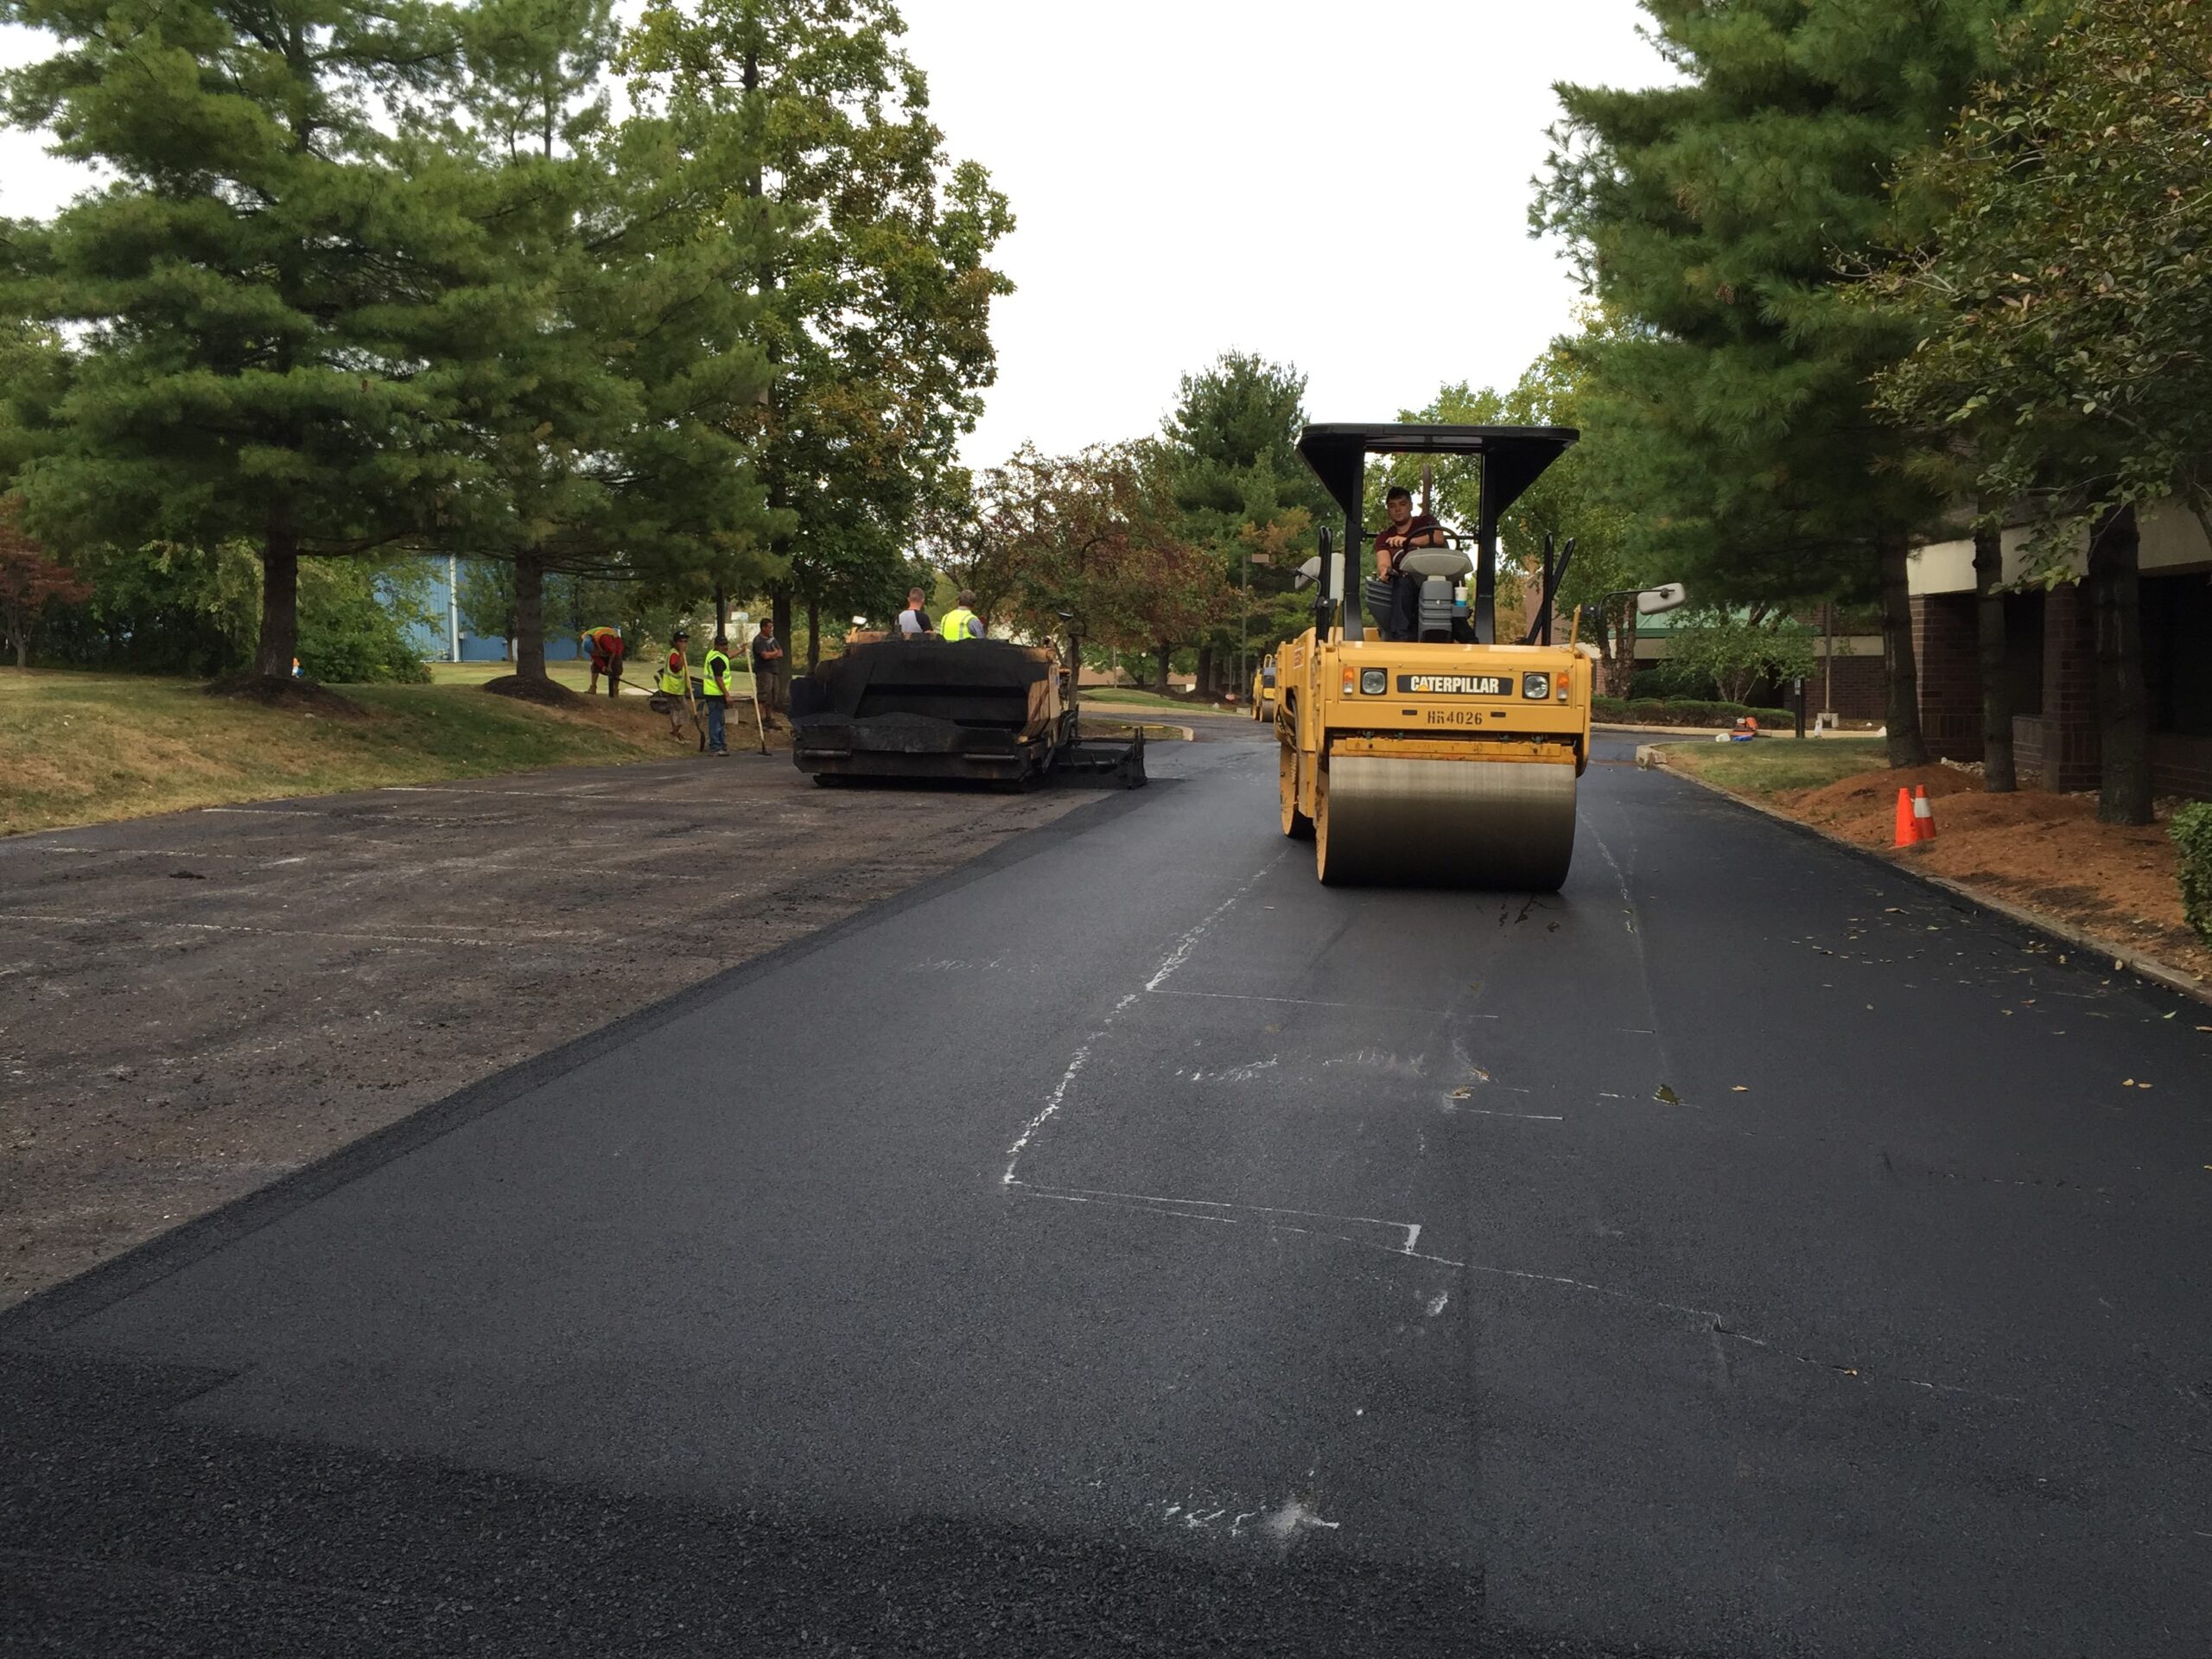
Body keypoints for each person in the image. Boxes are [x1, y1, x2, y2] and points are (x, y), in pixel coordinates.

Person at [1373, 485, 1445, 641]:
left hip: (1431, 577)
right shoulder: (1384, 537)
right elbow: (1383, 562)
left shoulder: (1426, 522)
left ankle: (1467, 637)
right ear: (1388, 510)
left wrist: (1408, 541)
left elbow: (1439, 539)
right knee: (1403, 579)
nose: (1398, 509)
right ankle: (1401, 637)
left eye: (1402, 504)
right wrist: (1385, 571)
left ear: (1411, 506)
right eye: (1393, 506)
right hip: (1404, 585)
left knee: (1445, 586)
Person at [656, 628, 696, 741]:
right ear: (675, 643)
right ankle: (675, 733)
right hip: (672, 689)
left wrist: (687, 687)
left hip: (677, 688)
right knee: (680, 712)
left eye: (685, 641)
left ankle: (676, 733)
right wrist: (682, 654)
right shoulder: (674, 654)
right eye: (681, 641)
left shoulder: (679, 654)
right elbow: (676, 667)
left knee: (681, 712)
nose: (684, 644)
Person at [701, 635, 734, 755]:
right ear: (716, 645)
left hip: (715, 693)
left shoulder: (715, 654)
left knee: (719, 720)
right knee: (715, 722)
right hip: (715, 693)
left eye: (726, 644)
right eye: (722, 645)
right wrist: (727, 695)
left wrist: (741, 650)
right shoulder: (717, 659)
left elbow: (728, 656)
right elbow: (718, 678)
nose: (725, 647)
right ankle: (715, 746)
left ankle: (721, 745)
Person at [750, 619, 785, 728]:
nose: (771, 629)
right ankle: (759, 721)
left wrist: (773, 654)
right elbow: (764, 656)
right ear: (763, 627)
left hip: (774, 670)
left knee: (772, 695)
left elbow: (781, 653)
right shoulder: (758, 641)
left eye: (771, 627)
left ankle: (768, 718)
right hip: (764, 671)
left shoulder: (772, 639)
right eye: (769, 627)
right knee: (763, 695)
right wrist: (774, 653)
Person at [581, 626, 625, 697]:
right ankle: (593, 688)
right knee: (595, 666)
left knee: (616, 668)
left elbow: (613, 652)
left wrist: (609, 665)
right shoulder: (586, 641)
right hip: (604, 646)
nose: (594, 652)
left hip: (615, 646)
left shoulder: (604, 638)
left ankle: (615, 691)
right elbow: (595, 657)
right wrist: (603, 666)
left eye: (594, 650)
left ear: (595, 644)